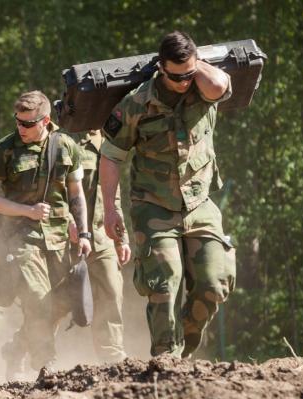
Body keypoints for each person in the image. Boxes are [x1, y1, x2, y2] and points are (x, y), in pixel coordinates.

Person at [99, 31, 236, 359]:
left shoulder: (203, 89)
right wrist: (109, 209)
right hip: (153, 206)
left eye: (189, 74)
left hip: (200, 203)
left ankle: (185, 347)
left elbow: (220, 86)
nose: (184, 82)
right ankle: (166, 361)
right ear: (161, 68)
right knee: (164, 286)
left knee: (214, 283)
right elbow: (111, 157)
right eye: (176, 77)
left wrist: (195, 67)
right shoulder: (137, 103)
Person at [0, 91, 90, 380]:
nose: (21, 129)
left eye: (28, 124)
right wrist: (25, 211)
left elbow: (76, 193)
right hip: (20, 238)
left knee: (62, 303)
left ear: (46, 120)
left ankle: (16, 347)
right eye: (18, 122)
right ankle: (46, 366)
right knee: (38, 300)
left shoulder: (66, 146)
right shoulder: (3, 150)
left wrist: (84, 230)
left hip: (58, 239)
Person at [72, 130, 132, 362]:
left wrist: (120, 238)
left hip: (101, 235)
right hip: (70, 236)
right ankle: (25, 349)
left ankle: (112, 358)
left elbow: (112, 196)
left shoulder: (108, 142)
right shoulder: (63, 139)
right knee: (57, 302)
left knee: (111, 292)